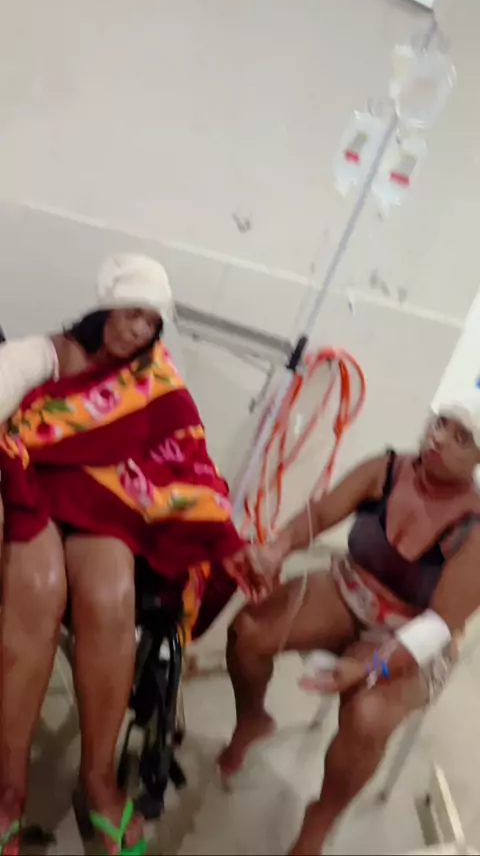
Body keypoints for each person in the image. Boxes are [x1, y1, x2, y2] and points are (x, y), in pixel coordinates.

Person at [0, 253, 257, 856]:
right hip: (34, 488)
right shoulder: (49, 354)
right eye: (129, 314)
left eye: (150, 321)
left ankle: (98, 780)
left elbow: (190, 460)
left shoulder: (154, 378)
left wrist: (227, 541)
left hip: (108, 504)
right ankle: (8, 788)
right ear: (105, 307)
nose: (137, 330)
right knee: (39, 591)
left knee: (112, 597)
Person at [220, 397, 480, 855]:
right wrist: (277, 549)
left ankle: (320, 820)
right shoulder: (386, 469)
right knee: (249, 631)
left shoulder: (473, 528)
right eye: (441, 424)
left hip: (414, 634)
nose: (439, 438)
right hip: (351, 588)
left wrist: (371, 667)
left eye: (462, 438)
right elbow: (321, 513)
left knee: (367, 718)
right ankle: (253, 717)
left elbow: (440, 623)